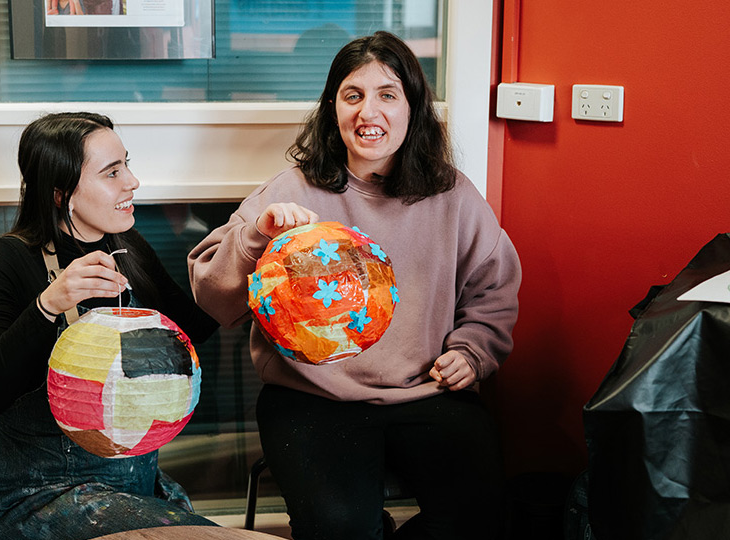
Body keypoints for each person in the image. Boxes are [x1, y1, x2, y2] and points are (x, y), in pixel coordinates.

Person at [188, 31, 521, 540]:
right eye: (353, 95)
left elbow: (492, 289)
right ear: (332, 108)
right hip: (310, 397)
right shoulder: (290, 191)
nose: (370, 113)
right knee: (340, 528)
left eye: (388, 95)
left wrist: (474, 350)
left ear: (413, 108)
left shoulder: (453, 194)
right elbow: (214, 299)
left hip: (426, 390)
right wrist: (256, 237)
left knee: (481, 519)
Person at [0, 112, 219, 540]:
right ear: (62, 194)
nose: (132, 182)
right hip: (35, 494)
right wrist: (48, 305)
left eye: (127, 165)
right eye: (112, 172)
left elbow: (195, 329)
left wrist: (250, 249)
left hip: (129, 487)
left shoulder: (126, 246)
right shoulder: (6, 260)